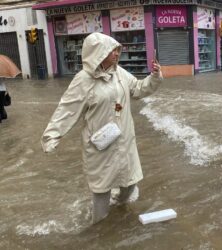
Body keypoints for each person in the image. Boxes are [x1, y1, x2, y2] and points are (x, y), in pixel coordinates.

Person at [41, 33, 163, 224]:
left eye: (116, 50)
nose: (116, 54)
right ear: (98, 53)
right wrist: (52, 135)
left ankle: (119, 209)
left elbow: (138, 89)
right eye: (111, 50)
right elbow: (67, 109)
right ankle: (99, 229)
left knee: (129, 183)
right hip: (101, 145)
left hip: (124, 140)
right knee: (101, 190)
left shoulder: (120, 73)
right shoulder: (83, 80)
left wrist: (154, 77)